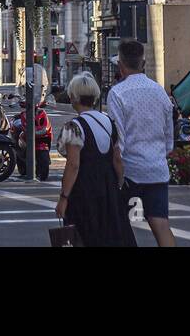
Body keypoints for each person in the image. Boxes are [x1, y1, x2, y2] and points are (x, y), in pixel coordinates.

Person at [106, 40, 175, 247]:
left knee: (118, 224)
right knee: (161, 225)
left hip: (130, 173)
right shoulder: (160, 92)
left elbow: (118, 141)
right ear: (143, 63)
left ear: (120, 65)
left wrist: (117, 176)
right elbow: (169, 138)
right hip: (157, 170)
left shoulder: (117, 93)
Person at [55, 72, 136, 247]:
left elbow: (73, 165)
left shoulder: (73, 127)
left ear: (74, 98)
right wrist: (119, 184)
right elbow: (117, 159)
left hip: (84, 189)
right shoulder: (108, 122)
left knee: (83, 235)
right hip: (108, 188)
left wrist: (64, 197)